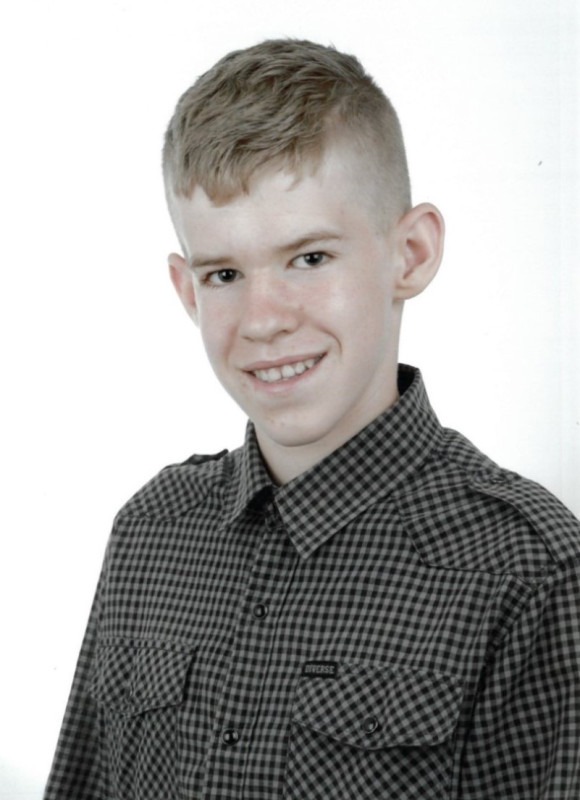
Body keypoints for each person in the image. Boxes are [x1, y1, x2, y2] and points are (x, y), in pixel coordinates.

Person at [44, 39, 580, 800]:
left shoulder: (527, 571)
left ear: (411, 253)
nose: (263, 319)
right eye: (224, 273)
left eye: (310, 258)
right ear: (187, 291)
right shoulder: (150, 532)